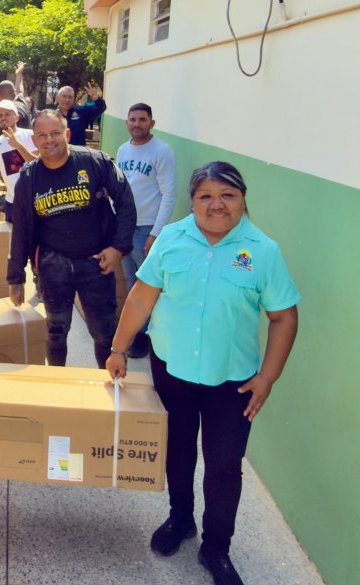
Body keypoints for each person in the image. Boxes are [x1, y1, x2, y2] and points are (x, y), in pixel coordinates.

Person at [106, 162, 300, 585]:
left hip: (233, 381)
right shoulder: (173, 238)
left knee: (224, 465)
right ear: (192, 201)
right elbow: (141, 298)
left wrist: (268, 377)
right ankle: (180, 519)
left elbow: (284, 317)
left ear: (243, 199)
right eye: (205, 196)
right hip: (172, 368)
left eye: (227, 195)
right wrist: (119, 347)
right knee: (177, 449)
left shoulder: (262, 251)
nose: (216, 205)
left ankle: (216, 547)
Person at [7, 109, 135, 369]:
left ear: (67, 133)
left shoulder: (94, 162)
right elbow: (20, 229)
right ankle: (58, 386)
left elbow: (126, 203)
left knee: (103, 334)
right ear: (33, 140)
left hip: (96, 262)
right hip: (54, 265)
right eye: (41, 135)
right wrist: (16, 278)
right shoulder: (29, 178)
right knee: (56, 331)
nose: (49, 140)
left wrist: (118, 248)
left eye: (55, 133)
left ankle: (110, 390)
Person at [116, 103, 177, 358]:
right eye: (132, 119)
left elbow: (169, 193)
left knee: (150, 285)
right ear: (127, 122)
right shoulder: (122, 149)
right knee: (133, 282)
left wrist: (156, 233)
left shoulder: (161, 151)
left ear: (152, 123)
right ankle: (138, 332)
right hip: (125, 225)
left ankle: (150, 336)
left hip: (146, 229)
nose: (136, 124)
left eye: (142, 119)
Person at [0, 61, 31, 128]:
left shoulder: (9, 109)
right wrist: (19, 74)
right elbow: (20, 91)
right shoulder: (20, 101)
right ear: (14, 92)